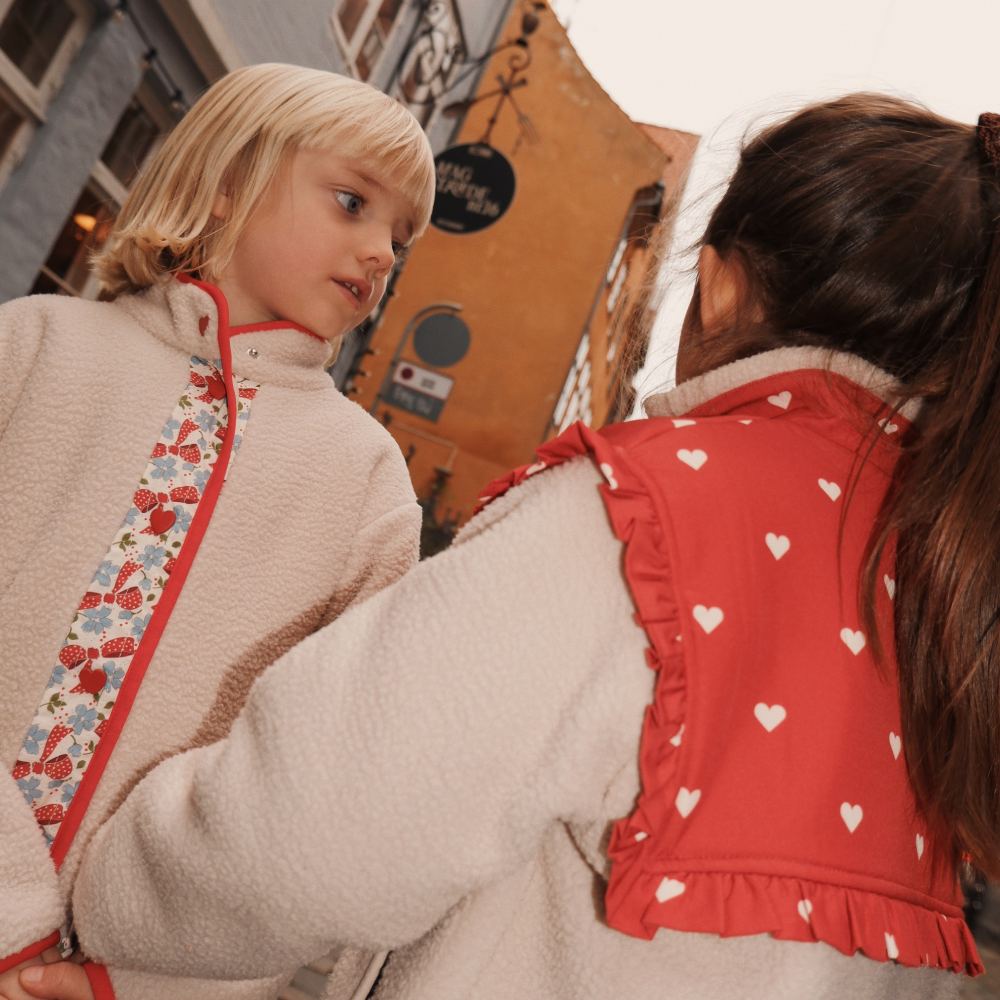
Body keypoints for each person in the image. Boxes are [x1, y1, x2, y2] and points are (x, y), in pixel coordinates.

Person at [26, 94, 1000, 1000]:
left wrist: (111, 923)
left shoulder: (649, 517)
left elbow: (316, 826)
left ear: (719, 287)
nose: (380, 254)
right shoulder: (953, 580)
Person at [0, 62, 434, 1000]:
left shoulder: (366, 484)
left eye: (401, 237)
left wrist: (137, 979)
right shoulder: (32, 348)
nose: (381, 251)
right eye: (353, 202)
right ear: (229, 179)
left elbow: (317, 790)